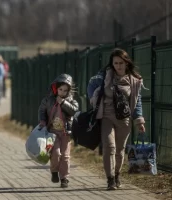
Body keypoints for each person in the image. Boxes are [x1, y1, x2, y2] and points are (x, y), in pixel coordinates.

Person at [87, 48, 146, 190]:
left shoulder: (134, 81)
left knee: (120, 150)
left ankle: (117, 174)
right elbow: (90, 86)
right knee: (109, 146)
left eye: (121, 63)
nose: (118, 66)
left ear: (126, 63)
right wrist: (93, 99)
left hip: (124, 120)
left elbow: (137, 102)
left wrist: (139, 121)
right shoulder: (103, 77)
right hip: (106, 116)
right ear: (112, 64)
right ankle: (110, 179)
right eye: (115, 63)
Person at [38, 74, 79, 188]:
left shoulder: (71, 101)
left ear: (69, 91)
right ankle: (54, 171)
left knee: (65, 156)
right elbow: (42, 110)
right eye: (60, 89)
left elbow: (74, 111)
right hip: (52, 133)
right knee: (55, 154)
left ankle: (64, 178)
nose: (62, 92)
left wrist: (63, 102)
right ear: (55, 88)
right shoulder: (48, 100)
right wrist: (42, 121)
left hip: (66, 133)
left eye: (65, 90)